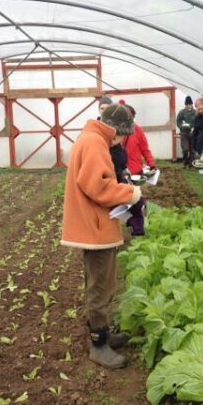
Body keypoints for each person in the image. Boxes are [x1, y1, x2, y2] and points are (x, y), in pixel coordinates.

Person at [61, 103, 142, 369]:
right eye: (122, 134)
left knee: (99, 281)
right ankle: (99, 346)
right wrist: (130, 194)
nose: (121, 140)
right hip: (95, 227)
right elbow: (99, 186)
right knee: (100, 285)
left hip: (91, 224)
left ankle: (104, 333)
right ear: (115, 129)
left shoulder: (89, 138)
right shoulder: (95, 143)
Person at [123, 104, 156, 236]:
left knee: (136, 198)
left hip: (135, 172)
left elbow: (145, 149)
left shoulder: (138, 131)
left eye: (131, 117)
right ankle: (130, 222)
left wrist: (151, 164)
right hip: (122, 172)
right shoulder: (116, 131)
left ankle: (137, 228)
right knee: (124, 199)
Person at [176, 95, 196, 167]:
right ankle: (185, 161)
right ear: (185, 104)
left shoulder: (195, 112)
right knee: (185, 149)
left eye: (190, 104)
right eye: (187, 104)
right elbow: (178, 121)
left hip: (192, 133)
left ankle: (191, 164)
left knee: (192, 150)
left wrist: (194, 128)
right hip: (184, 133)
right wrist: (181, 126)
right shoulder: (182, 112)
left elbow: (197, 122)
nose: (189, 106)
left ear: (192, 104)